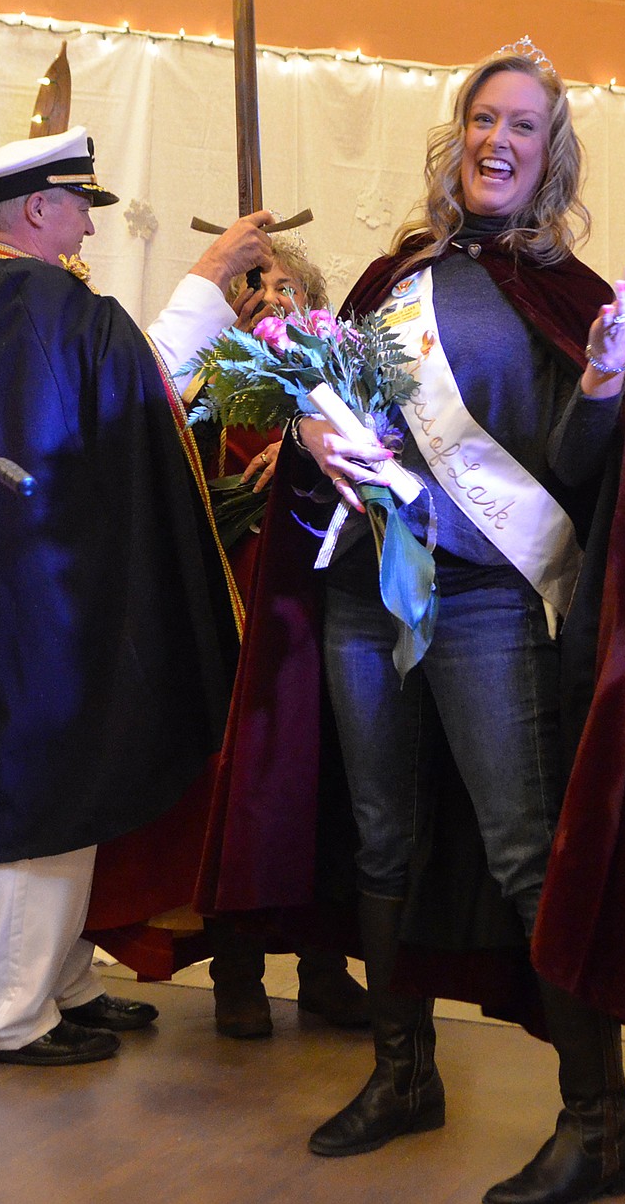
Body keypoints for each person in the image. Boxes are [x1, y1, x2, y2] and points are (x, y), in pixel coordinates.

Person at [200, 43, 625, 1204]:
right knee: (380, 838)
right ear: (458, 137)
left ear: (548, 154)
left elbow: (586, 477)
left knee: (529, 853)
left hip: (486, 605)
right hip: (364, 601)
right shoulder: (388, 280)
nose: (499, 139)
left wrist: (593, 393)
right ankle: (402, 1073)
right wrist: (316, 446)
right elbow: (336, 431)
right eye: (484, 118)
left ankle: (600, 1128)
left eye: (524, 126)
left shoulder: (566, 292)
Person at [0, 125, 275, 1066]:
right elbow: (129, 393)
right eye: (77, 207)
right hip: (37, 610)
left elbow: (108, 400)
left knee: (76, 790)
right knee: (49, 798)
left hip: (34, 599)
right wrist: (208, 275)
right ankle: (2, 1017)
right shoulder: (22, 297)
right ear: (37, 208)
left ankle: (59, 984)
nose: (85, 227)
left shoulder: (8, 299)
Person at [191, 242, 371, 1038]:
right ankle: (237, 974)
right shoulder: (206, 387)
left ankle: (326, 971)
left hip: (317, 613)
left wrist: (303, 438)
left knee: (326, 786)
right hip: (236, 626)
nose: (266, 295)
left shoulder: (334, 384)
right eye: (250, 282)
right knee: (246, 791)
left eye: (283, 283)